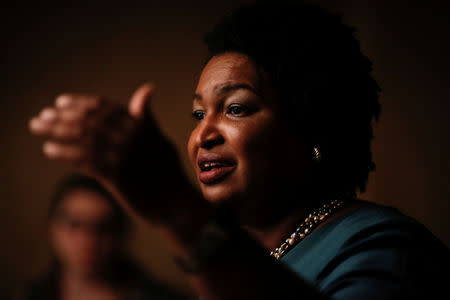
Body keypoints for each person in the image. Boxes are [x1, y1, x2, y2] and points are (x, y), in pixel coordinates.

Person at [28, 1, 449, 299]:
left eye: (235, 108)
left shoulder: (387, 249)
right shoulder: (244, 255)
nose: (202, 136)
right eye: (198, 115)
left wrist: (177, 209)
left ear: (312, 128)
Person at [20, 174, 187, 300]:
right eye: (74, 224)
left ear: (120, 233)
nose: (87, 240)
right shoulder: (29, 296)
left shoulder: (159, 297)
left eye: (102, 228)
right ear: (51, 229)